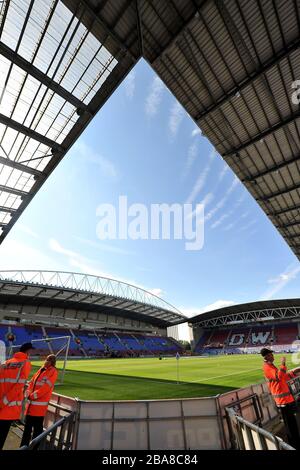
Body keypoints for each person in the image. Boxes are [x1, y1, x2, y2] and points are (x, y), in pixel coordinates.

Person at [261, 347, 300, 449]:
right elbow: (279, 377)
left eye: (272, 354)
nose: (273, 356)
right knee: (290, 426)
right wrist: (283, 364)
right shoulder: (267, 367)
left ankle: (296, 442)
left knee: (293, 424)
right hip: (282, 401)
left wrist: (295, 372)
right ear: (266, 356)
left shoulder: (271, 366)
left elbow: (283, 378)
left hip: (287, 400)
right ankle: (293, 445)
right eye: (270, 354)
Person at [0, 342, 33, 450]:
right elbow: (18, 386)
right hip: (8, 408)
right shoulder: (26, 363)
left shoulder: (6, 363)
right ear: (28, 351)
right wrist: (3, 403)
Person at [20, 354, 58, 448]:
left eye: (48, 360)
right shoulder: (41, 369)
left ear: (52, 362)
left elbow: (45, 388)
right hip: (30, 406)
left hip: (39, 409)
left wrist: (32, 396)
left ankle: (34, 448)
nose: (46, 361)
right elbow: (31, 382)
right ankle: (23, 447)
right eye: (46, 359)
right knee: (27, 429)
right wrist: (28, 393)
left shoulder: (53, 372)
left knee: (37, 431)